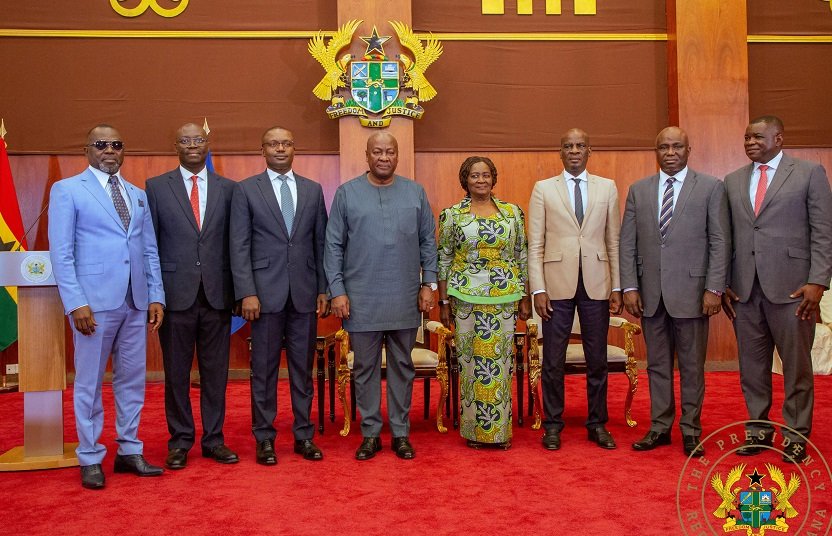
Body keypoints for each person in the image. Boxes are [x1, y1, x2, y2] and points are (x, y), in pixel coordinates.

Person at [48, 125, 165, 489]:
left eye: (116, 144)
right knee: (89, 383)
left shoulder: (137, 194)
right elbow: (61, 253)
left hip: (135, 301)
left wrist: (156, 294)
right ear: (87, 150)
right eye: (101, 144)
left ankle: (129, 450)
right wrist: (75, 302)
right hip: (93, 305)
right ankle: (90, 456)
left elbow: (148, 250)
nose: (109, 150)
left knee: (132, 382)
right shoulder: (67, 190)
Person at [722, 115, 832, 463]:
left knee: (796, 367)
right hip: (745, 291)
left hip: (793, 291)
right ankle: (758, 431)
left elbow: (823, 231)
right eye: (746, 138)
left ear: (779, 138)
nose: (751, 142)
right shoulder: (733, 180)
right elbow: (725, 238)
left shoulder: (808, 174)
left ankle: (797, 436)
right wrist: (724, 282)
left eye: (757, 136)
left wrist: (818, 281)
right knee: (751, 368)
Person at [325, 132, 438, 461]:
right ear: (367, 155)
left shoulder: (415, 192)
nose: (384, 157)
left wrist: (428, 283)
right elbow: (332, 247)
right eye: (378, 152)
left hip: (405, 294)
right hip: (360, 297)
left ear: (397, 155)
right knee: (365, 368)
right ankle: (371, 433)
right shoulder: (347, 194)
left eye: (390, 151)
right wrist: (337, 291)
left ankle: (401, 432)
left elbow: (428, 243)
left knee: (403, 365)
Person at [619, 127, 730, 458]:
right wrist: (630, 286)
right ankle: (659, 427)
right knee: (656, 365)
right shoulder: (639, 190)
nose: (670, 152)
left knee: (693, 367)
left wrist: (714, 288)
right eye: (664, 147)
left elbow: (719, 240)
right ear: (656, 151)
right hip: (650, 294)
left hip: (694, 293)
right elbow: (627, 242)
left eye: (677, 146)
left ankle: (691, 430)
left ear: (688, 150)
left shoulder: (711, 187)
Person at [230, 126, 329, 464]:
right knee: (265, 370)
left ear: (294, 148)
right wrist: (246, 292)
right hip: (264, 296)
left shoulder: (313, 190)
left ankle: (304, 435)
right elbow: (239, 245)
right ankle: (265, 438)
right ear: (263, 150)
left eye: (286, 143)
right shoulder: (246, 191)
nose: (280, 149)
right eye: (273, 144)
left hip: (303, 295)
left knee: (302, 370)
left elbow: (321, 244)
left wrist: (322, 289)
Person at [145, 122, 238, 470]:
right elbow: (149, 245)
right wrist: (154, 294)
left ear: (208, 143)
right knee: (177, 374)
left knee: (216, 374)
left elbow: (236, 244)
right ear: (175, 145)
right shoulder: (156, 188)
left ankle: (214, 440)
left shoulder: (229, 189)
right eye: (185, 140)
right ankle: (180, 440)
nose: (193, 145)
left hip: (217, 295)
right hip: (174, 297)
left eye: (198, 140)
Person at [527, 128, 622, 451]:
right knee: (553, 359)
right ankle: (553, 424)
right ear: (560, 152)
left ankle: (597, 424)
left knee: (597, 359)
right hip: (555, 285)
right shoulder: (543, 189)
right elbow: (535, 244)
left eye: (581, 145)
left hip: (597, 282)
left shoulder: (607, 188)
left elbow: (613, 240)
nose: (574, 150)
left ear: (589, 150)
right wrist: (537, 289)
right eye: (568, 146)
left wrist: (618, 286)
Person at [437, 156, 531, 449]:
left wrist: (526, 294)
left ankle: (499, 433)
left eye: (486, 175)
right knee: (470, 364)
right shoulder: (452, 215)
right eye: (474, 175)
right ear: (464, 180)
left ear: (494, 178)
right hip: (465, 298)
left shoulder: (512, 213)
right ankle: (474, 433)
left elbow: (521, 255)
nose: (481, 180)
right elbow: (444, 258)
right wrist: (443, 301)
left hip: (504, 297)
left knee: (500, 364)